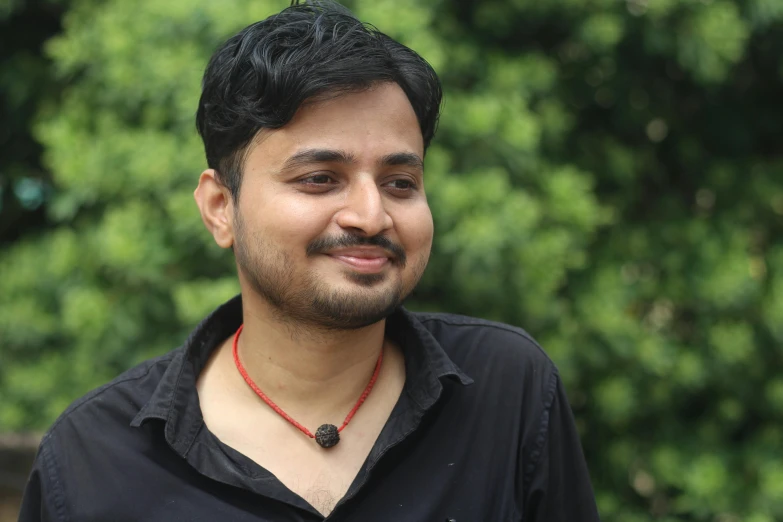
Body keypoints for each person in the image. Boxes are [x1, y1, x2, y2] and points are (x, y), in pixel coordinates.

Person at [19, 1, 600, 520]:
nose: (371, 215)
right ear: (221, 207)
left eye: (400, 182)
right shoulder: (92, 460)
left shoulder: (508, 390)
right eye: (321, 179)